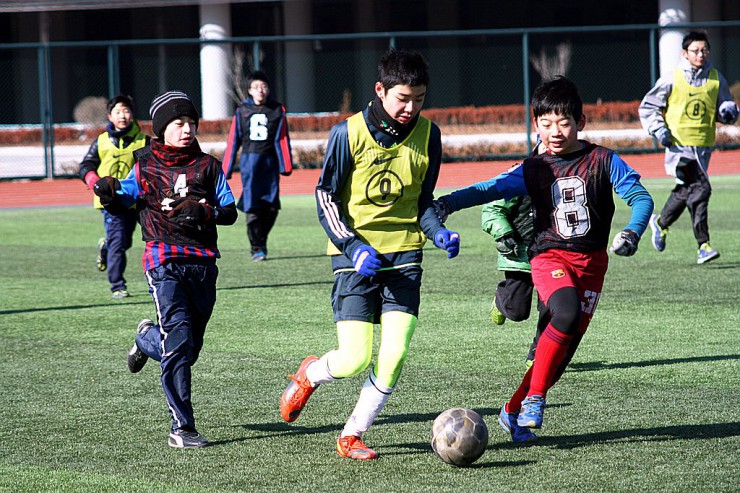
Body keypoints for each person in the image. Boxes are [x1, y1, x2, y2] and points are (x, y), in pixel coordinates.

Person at [434, 76, 654, 443]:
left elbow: (641, 198)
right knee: (564, 313)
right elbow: (488, 189)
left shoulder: (603, 159)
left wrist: (632, 231)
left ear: (580, 122)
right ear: (535, 124)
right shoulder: (534, 167)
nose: (555, 131)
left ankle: (512, 410)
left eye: (564, 122)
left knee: (558, 356)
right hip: (548, 256)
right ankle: (536, 399)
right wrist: (447, 204)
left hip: (593, 266)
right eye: (546, 123)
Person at [279, 48, 460, 461]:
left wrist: (438, 233)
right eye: (402, 98)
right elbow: (325, 196)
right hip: (353, 257)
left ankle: (352, 435)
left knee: (394, 354)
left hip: (405, 257)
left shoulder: (429, 135)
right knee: (353, 359)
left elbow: (423, 201)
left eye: (419, 99)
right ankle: (310, 373)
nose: (410, 108)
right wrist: (354, 245)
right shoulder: (348, 134)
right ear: (380, 90)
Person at [92, 90, 238, 449]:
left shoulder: (208, 166)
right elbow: (124, 199)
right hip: (163, 259)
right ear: (161, 129)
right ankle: (182, 428)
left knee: (189, 349)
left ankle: (145, 337)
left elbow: (230, 211)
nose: (187, 129)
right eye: (178, 123)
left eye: (191, 122)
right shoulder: (143, 165)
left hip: (203, 263)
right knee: (177, 342)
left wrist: (207, 212)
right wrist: (109, 192)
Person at [639, 30, 739, 264]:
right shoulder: (671, 78)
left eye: (704, 50)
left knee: (687, 190)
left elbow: (725, 108)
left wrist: (729, 111)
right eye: (695, 50)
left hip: (703, 147)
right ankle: (703, 245)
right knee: (701, 189)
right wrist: (660, 130)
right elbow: (647, 107)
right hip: (679, 147)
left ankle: (661, 223)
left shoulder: (716, 78)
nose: (701, 54)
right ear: (685, 53)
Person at [482, 139, 546, 366]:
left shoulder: (572, 177)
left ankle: (538, 353)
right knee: (517, 311)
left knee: (553, 308)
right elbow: (492, 208)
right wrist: (503, 233)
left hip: (555, 256)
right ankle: (502, 300)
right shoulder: (519, 175)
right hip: (521, 253)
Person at [78, 94, 149, 298]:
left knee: (124, 241)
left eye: (126, 111)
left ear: (132, 114)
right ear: (110, 116)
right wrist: (95, 182)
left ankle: (106, 246)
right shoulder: (101, 142)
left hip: (136, 201)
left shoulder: (143, 141)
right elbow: (86, 166)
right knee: (118, 242)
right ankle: (117, 284)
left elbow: (152, 168)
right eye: (118, 111)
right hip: (110, 201)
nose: (122, 115)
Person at [223, 71, 293, 262]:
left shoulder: (277, 109)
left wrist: (285, 164)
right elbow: (233, 140)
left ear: (268, 89)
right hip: (250, 163)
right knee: (253, 205)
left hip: (269, 163)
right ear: (249, 91)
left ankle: (262, 240)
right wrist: (226, 169)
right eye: (256, 87)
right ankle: (257, 247)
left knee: (271, 207)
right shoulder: (242, 111)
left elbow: (282, 137)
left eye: (263, 87)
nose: (260, 91)